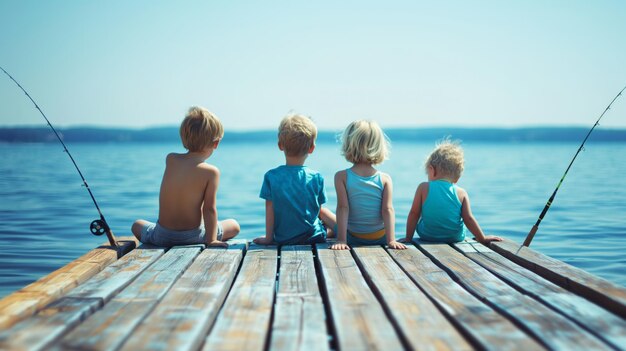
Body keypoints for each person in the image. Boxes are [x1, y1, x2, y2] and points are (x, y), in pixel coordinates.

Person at [131, 106, 240, 247]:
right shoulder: (211, 172)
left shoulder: (171, 159)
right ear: (216, 143)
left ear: (184, 138)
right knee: (234, 225)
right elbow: (209, 209)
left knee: (137, 224)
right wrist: (211, 239)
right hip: (193, 237)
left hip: (162, 236)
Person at [253, 114, 336, 245]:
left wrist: (269, 238)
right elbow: (317, 211)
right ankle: (342, 230)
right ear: (311, 148)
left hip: (284, 239)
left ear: (280, 145)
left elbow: (270, 210)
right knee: (324, 214)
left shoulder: (271, 177)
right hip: (314, 237)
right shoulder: (316, 177)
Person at [402, 139, 502, 244]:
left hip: (428, 235)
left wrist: (408, 238)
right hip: (455, 237)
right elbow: (468, 218)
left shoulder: (423, 187)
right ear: (456, 178)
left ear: (432, 170)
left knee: (421, 214)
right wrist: (482, 238)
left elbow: (414, 214)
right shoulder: (461, 193)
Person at [331, 120, 406, 250]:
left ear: (349, 145)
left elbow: (343, 208)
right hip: (380, 237)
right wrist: (391, 240)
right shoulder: (385, 179)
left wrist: (342, 240)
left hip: (352, 237)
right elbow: (387, 210)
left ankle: (329, 232)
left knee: (323, 212)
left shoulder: (341, 177)